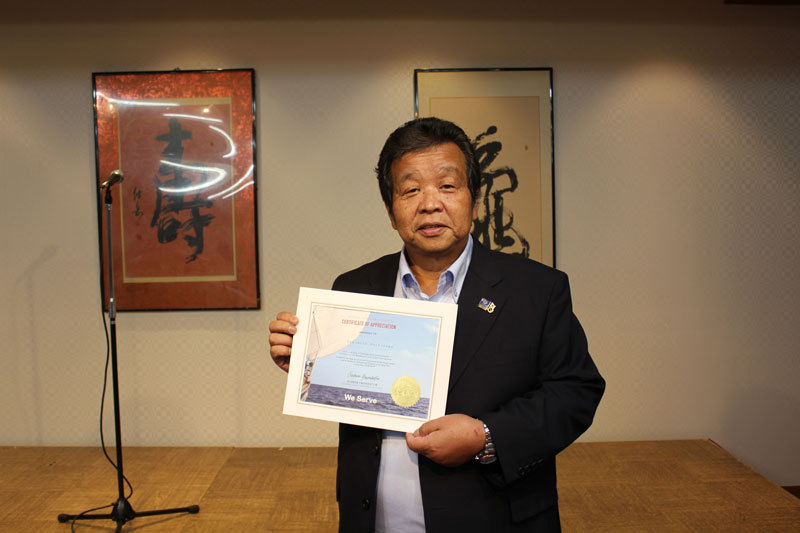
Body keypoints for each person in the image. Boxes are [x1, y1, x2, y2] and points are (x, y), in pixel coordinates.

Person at [269, 117, 604, 532]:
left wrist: (486, 435)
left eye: (447, 186)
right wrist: (308, 365)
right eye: (411, 190)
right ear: (391, 211)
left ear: (474, 201)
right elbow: (347, 389)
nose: (430, 203)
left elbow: (575, 392)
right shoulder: (354, 288)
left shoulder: (536, 289)